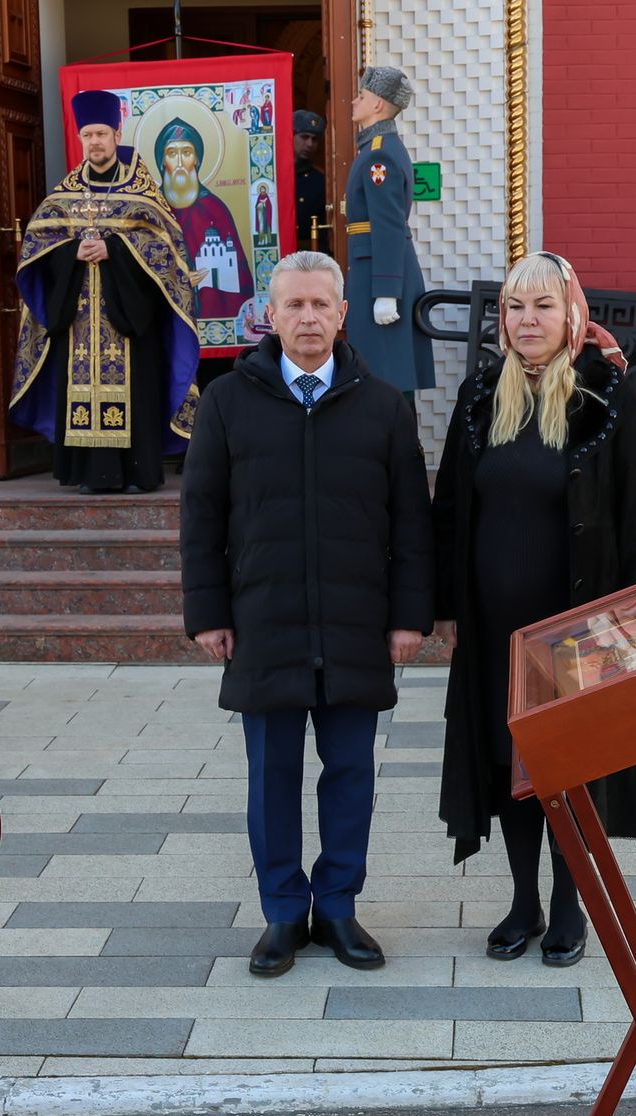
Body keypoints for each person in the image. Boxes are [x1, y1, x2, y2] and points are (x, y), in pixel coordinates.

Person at [180, 250, 433, 978]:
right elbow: (201, 516)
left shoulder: (383, 405)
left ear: (344, 314)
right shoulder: (227, 401)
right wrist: (207, 611)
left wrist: (409, 616)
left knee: (351, 772)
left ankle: (341, 906)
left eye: (322, 305)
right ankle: (284, 914)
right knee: (272, 777)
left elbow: (411, 524)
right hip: (265, 623)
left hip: (357, 626)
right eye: (294, 305)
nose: (309, 318)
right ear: (271, 314)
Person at [432, 252, 636, 966]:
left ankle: (570, 905)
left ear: (572, 315)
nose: (527, 321)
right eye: (513, 307)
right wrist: (445, 608)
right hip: (494, 630)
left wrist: (634, 617)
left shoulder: (608, 397)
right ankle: (524, 900)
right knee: (509, 763)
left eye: (542, 306)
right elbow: (449, 513)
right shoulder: (478, 398)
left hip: (578, 625)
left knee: (568, 767)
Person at [10, 89, 200, 494]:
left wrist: (115, 249)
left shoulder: (143, 194)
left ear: (117, 132)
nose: (94, 141)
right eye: (87, 135)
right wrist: (71, 251)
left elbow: (167, 255)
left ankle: (136, 472)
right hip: (78, 319)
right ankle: (87, 473)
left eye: (101, 133)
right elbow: (37, 249)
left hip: (130, 319)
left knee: (136, 388)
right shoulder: (63, 196)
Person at [342, 66, 435, 396]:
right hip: (374, 269)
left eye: (362, 96)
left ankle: (403, 447)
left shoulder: (378, 153)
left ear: (378, 104)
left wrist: (386, 291)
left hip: (379, 274)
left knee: (387, 375)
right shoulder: (373, 149)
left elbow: (389, 224)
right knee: (381, 371)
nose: (354, 101)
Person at [155, 117, 252, 321]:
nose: (180, 162)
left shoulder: (214, 209)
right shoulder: (151, 208)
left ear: (197, 160)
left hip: (210, 308)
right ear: (162, 162)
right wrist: (178, 279)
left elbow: (237, 274)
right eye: (172, 154)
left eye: (187, 153)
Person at [294, 110, 327, 253]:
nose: (309, 144)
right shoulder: (276, 175)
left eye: (314, 140)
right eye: (304, 137)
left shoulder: (321, 180)